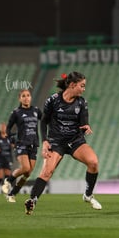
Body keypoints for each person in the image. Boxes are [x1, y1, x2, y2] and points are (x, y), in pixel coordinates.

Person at [24, 72, 102, 215]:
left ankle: (88, 195)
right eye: (82, 86)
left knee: (94, 163)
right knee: (47, 172)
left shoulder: (82, 102)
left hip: (75, 141)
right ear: (72, 85)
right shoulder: (53, 100)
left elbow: (84, 121)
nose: (84, 89)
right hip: (56, 142)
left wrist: (86, 126)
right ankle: (32, 200)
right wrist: (45, 141)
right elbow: (44, 121)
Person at [1, 89, 42, 203]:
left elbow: (44, 120)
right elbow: (8, 128)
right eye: (23, 96)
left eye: (28, 95)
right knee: (25, 168)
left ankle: (12, 193)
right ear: (20, 99)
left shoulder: (36, 111)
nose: (26, 98)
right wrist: (11, 139)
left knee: (28, 173)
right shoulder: (16, 112)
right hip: (22, 144)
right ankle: (8, 180)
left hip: (34, 144)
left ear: (31, 97)